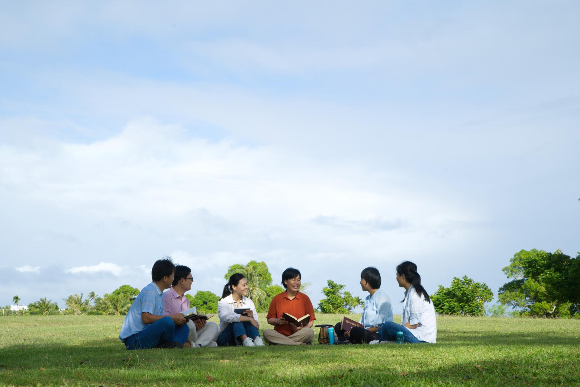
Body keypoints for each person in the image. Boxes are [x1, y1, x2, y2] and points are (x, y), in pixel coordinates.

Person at [119, 258, 190, 349]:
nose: (173, 279)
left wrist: (178, 321)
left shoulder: (159, 293)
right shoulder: (150, 292)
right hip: (135, 340)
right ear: (165, 278)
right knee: (167, 321)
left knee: (184, 327)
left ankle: (170, 346)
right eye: (172, 275)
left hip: (147, 334)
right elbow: (146, 318)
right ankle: (169, 346)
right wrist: (172, 318)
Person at [372, 261, 437, 344]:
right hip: (414, 334)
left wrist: (399, 329)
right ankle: (388, 341)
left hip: (421, 339)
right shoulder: (410, 293)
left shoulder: (416, 294)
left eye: (397, 275)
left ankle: (384, 341)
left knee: (388, 326)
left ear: (403, 276)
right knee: (382, 326)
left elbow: (414, 323)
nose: (396, 278)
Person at [163, 265, 219, 348]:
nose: (192, 281)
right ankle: (203, 345)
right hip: (176, 332)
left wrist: (197, 323)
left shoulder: (186, 301)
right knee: (189, 324)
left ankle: (198, 345)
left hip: (189, 332)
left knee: (212, 325)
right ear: (182, 280)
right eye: (191, 278)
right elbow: (164, 320)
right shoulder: (167, 296)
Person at [334, 267, 393, 344]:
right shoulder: (368, 298)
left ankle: (350, 338)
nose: (360, 282)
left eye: (361, 279)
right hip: (364, 331)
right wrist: (349, 328)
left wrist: (358, 330)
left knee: (357, 331)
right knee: (339, 326)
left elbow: (379, 326)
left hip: (378, 334)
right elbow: (361, 324)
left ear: (367, 281)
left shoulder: (382, 297)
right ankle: (348, 338)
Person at [263, 267, 316, 346]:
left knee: (310, 332)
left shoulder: (305, 298)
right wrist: (277, 321)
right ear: (285, 281)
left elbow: (311, 321)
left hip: (299, 334)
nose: (296, 283)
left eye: (298, 280)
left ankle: (281, 343)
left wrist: (302, 329)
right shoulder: (277, 299)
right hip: (280, 334)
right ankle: (298, 344)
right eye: (293, 280)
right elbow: (269, 319)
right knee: (266, 333)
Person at [216, 273, 264, 347]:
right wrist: (247, 318)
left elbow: (256, 324)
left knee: (245, 317)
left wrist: (252, 318)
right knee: (236, 318)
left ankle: (256, 339)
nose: (246, 287)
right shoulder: (224, 302)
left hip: (247, 333)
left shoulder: (249, 302)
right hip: (227, 336)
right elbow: (225, 317)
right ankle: (245, 340)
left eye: (246, 284)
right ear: (234, 287)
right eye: (243, 285)